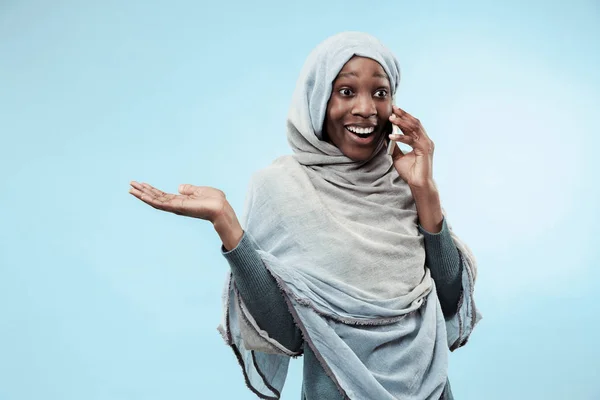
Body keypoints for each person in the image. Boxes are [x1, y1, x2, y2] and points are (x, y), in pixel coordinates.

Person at [129, 31, 481, 400]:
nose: (366, 108)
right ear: (316, 99)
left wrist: (425, 192)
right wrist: (226, 223)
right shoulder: (282, 187)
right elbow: (285, 334)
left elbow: (448, 300)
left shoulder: (403, 181)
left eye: (380, 93)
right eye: (346, 92)